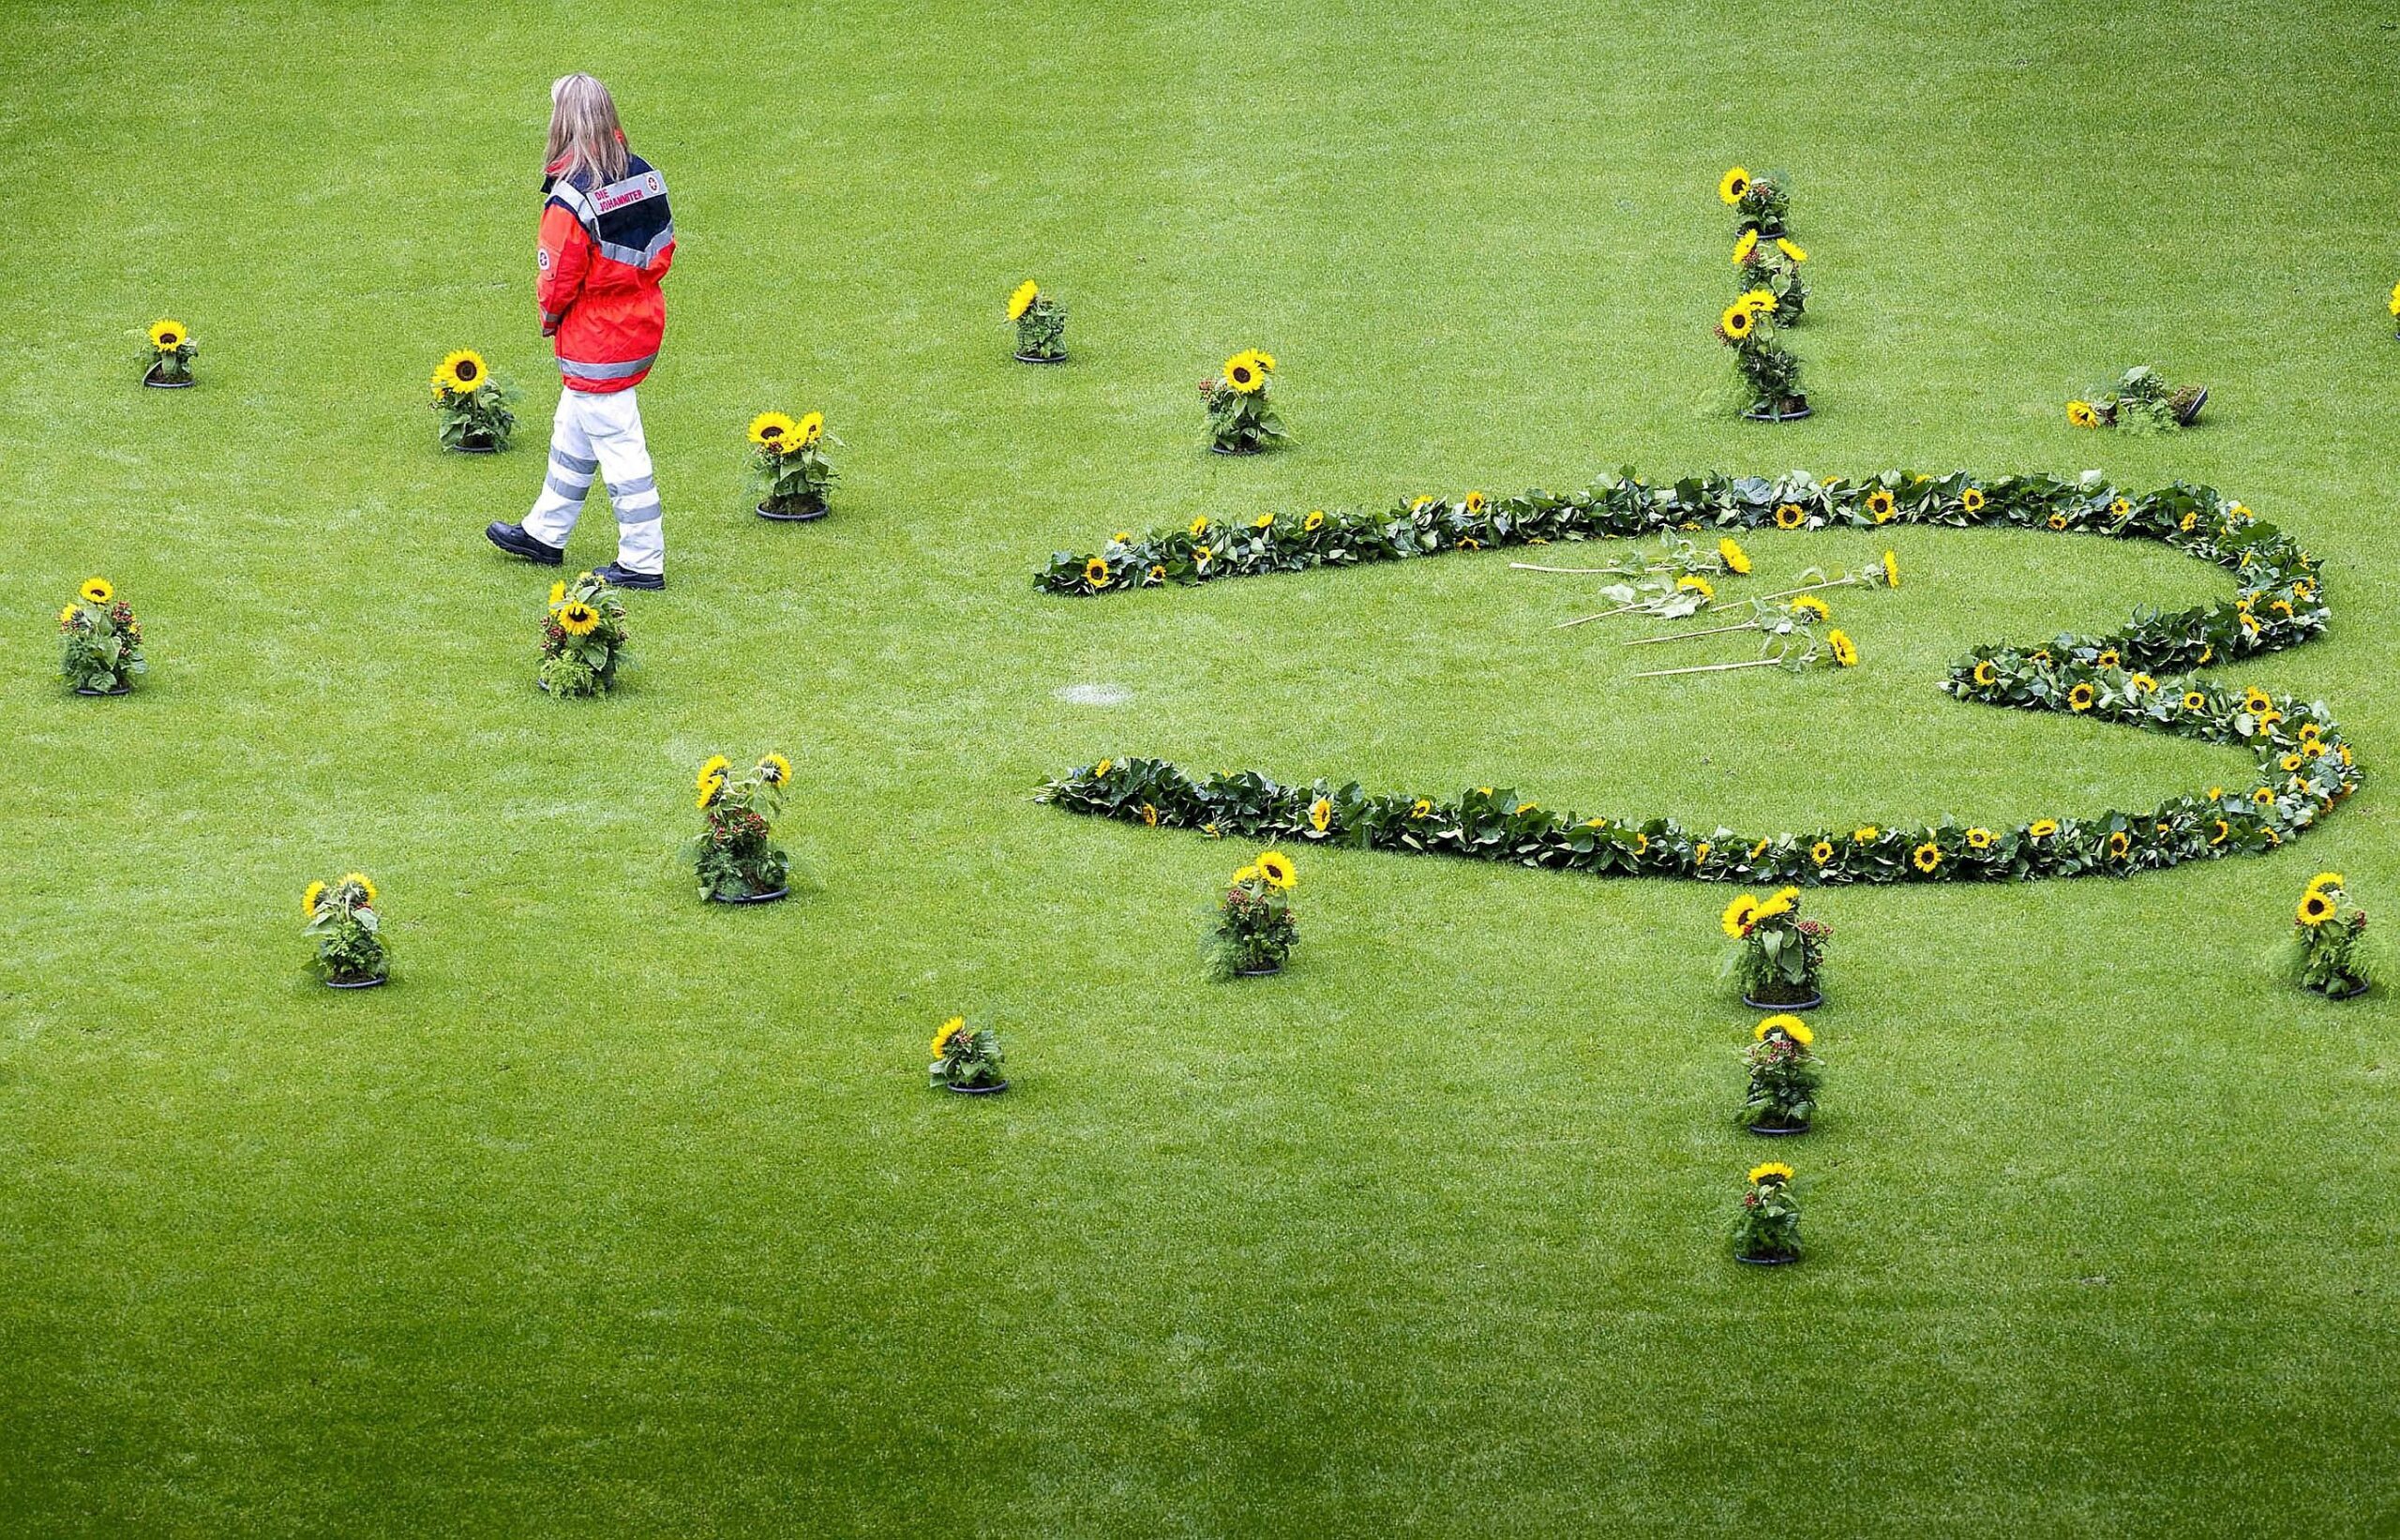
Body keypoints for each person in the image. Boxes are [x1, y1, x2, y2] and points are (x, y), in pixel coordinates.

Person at [486, 73, 675, 590]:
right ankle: (544, 532)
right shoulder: (645, 176)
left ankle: (642, 560)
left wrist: (551, 321)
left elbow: (556, 281)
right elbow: (662, 249)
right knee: (572, 430)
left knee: (621, 448)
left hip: (596, 338)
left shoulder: (570, 198)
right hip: (639, 322)